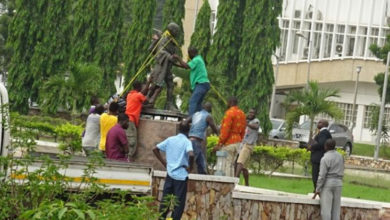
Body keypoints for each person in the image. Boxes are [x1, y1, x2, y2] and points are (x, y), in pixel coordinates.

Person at [152, 122, 194, 220]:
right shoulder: (187, 142)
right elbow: (191, 154)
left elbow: (155, 149)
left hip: (170, 174)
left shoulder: (170, 139)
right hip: (181, 176)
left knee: (166, 201)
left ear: (179, 129)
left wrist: (164, 163)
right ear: (188, 131)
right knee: (178, 204)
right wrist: (190, 168)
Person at [146, 22, 180, 111]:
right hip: (160, 66)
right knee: (155, 86)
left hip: (168, 67)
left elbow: (173, 55)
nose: (177, 32)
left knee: (170, 85)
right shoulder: (164, 39)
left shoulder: (172, 41)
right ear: (172, 30)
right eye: (176, 30)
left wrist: (178, 62)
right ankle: (147, 101)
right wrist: (170, 56)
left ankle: (169, 104)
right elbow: (160, 51)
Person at [213, 97, 246, 177]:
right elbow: (243, 129)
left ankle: (226, 186)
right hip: (237, 142)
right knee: (231, 165)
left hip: (229, 142)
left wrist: (220, 143)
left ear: (230, 102)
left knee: (226, 164)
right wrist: (240, 139)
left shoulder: (229, 113)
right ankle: (231, 185)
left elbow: (225, 130)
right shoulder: (242, 113)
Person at [313, 139, 344, 220]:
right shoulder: (340, 156)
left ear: (325, 147)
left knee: (326, 210)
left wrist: (318, 188)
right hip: (339, 183)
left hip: (328, 184)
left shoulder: (325, 158)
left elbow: (322, 175)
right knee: (336, 210)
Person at [173, 47, 210, 116]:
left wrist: (178, 58)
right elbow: (184, 66)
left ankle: (190, 120)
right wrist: (174, 64)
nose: (188, 56)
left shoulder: (197, 60)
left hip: (201, 84)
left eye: (189, 54)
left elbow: (186, 66)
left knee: (193, 101)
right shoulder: (198, 59)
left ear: (192, 53)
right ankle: (200, 119)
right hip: (203, 84)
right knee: (198, 104)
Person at [187, 102, 219, 174]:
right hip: (196, 141)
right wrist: (219, 135)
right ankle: (184, 179)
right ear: (210, 108)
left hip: (191, 139)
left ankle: (203, 176)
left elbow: (186, 121)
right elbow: (214, 128)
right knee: (190, 163)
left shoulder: (196, 114)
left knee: (201, 164)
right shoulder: (208, 116)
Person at [235, 108, 260, 186]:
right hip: (242, 144)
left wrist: (247, 123)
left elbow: (255, 127)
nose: (251, 114)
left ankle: (235, 181)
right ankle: (247, 184)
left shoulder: (256, 121)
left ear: (255, 114)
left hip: (248, 145)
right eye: (250, 112)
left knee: (239, 162)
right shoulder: (247, 121)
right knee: (244, 167)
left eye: (253, 113)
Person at [125, 81, 148, 157]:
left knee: (128, 139)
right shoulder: (138, 95)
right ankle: (129, 157)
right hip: (131, 120)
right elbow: (147, 101)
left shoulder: (129, 94)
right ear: (139, 88)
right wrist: (149, 85)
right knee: (132, 141)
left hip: (127, 119)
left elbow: (136, 104)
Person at [309, 119, 332, 191]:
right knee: (316, 175)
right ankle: (317, 189)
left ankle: (317, 190)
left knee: (316, 175)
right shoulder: (322, 132)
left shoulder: (323, 133)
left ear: (324, 124)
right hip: (318, 157)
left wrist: (311, 147)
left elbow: (321, 144)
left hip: (318, 158)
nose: (318, 123)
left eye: (320, 122)